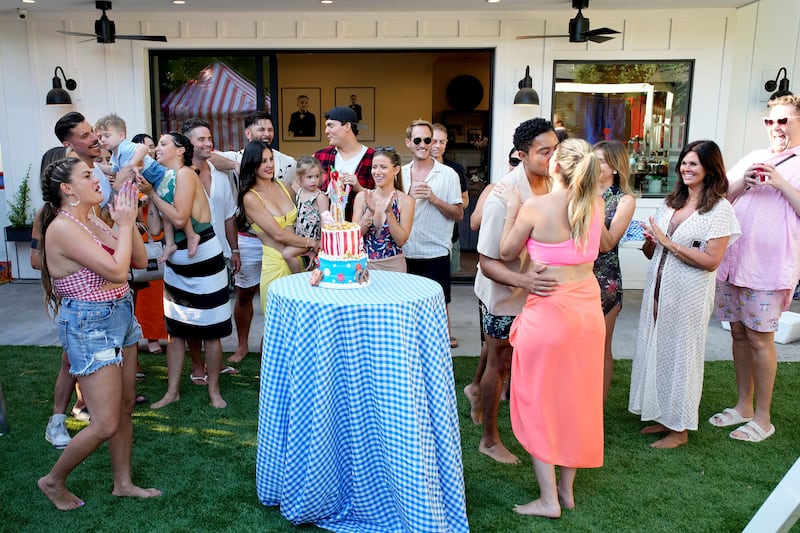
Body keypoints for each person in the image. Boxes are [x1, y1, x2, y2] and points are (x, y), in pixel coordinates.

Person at [37, 157, 160, 510]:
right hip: (90, 324)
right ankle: (52, 481)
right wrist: (122, 224)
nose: (97, 179)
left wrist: (130, 219)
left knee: (123, 408)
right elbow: (118, 271)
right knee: (105, 422)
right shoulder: (62, 228)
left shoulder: (90, 218)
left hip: (120, 315)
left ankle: (123, 484)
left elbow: (137, 261)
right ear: (67, 189)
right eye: (88, 175)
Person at [495, 137, 605, 518]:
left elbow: (507, 252)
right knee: (576, 399)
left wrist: (512, 210)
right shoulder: (595, 204)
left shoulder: (535, 206)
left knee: (539, 400)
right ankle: (566, 490)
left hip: (550, 313)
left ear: (555, 166)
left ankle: (548, 500)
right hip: (587, 313)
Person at [629, 140, 740, 449]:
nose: (686, 168)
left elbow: (711, 261)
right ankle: (663, 416)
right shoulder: (672, 202)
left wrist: (668, 242)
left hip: (689, 293)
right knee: (658, 348)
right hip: (658, 288)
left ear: (710, 168)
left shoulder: (720, 209)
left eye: (694, 163)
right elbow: (654, 252)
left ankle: (680, 429)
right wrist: (651, 240)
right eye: (684, 163)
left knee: (682, 357)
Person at [710, 95, 800, 443]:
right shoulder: (755, 157)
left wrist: (779, 182)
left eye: (784, 120)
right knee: (737, 335)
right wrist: (742, 181)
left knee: (761, 340)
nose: (776, 127)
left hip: (768, 268)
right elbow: (720, 198)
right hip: (734, 263)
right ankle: (743, 406)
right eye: (771, 121)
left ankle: (763, 418)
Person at [471, 119, 560, 464]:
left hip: (542, 293)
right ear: (522, 155)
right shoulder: (503, 196)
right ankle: (490, 439)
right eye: (544, 151)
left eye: (556, 149)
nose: (553, 157)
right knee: (501, 361)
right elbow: (487, 262)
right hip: (505, 294)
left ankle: (478, 389)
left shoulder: (555, 185)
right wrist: (525, 282)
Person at [140, 132, 232, 409]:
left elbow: (180, 217)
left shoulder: (186, 175)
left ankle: (214, 390)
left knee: (211, 331)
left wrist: (151, 194)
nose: (157, 148)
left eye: (164, 143)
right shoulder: (163, 180)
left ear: (181, 150)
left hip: (204, 258)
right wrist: (151, 196)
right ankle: (171, 391)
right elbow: (155, 228)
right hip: (176, 265)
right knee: (176, 332)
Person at [208, 112, 296, 364]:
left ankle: (268, 344)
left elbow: (295, 192)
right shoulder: (236, 157)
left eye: (270, 129)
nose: (266, 134)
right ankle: (242, 344)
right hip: (247, 238)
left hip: (280, 241)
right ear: (248, 134)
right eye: (260, 129)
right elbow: (208, 156)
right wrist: (241, 166)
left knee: (281, 294)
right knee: (245, 293)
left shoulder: (285, 162)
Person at [94, 114, 199, 262]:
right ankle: (170, 243)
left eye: (106, 135)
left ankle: (191, 235)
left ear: (121, 135)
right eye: (99, 137)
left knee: (172, 208)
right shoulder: (115, 156)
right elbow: (113, 170)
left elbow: (142, 149)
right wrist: (95, 165)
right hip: (156, 183)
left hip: (162, 176)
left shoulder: (125, 147)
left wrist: (133, 164)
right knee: (166, 212)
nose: (102, 140)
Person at [401, 119, 463, 348]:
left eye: (428, 140)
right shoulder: (400, 174)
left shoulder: (448, 175)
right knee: (406, 306)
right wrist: (408, 194)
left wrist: (434, 198)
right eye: (418, 140)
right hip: (405, 250)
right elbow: (391, 209)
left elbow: (458, 214)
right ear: (408, 142)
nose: (423, 144)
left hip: (435, 251)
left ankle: (441, 350)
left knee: (439, 306)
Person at [237, 140, 320, 312]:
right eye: (262, 161)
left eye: (271, 159)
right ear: (252, 164)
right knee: (275, 329)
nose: (269, 165)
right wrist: (312, 243)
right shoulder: (250, 197)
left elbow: (306, 214)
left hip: (301, 261)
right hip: (276, 264)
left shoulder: (284, 186)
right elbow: (278, 235)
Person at [593, 140, 636, 402]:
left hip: (604, 280)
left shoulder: (624, 200)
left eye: (600, 161)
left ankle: (596, 407)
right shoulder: (576, 192)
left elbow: (608, 242)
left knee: (600, 348)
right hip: (573, 277)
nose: (594, 165)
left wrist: (591, 207)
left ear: (616, 168)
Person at [131, 133, 168, 355]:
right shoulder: (129, 173)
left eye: (152, 147)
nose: (150, 151)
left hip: (162, 235)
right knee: (145, 293)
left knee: (159, 291)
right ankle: (146, 336)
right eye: (145, 148)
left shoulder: (159, 174)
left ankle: (160, 334)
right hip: (141, 237)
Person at [431, 123, 469, 340]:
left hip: (448, 234)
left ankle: (446, 334)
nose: (436, 146)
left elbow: (464, 201)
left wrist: (444, 202)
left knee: (445, 289)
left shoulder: (455, 169)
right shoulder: (413, 170)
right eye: (433, 141)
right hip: (421, 240)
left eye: (441, 142)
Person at [353, 147, 414, 271]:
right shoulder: (362, 197)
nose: (377, 172)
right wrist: (369, 213)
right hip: (364, 264)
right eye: (374, 167)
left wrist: (389, 213)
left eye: (383, 167)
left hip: (394, 265)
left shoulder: (406, 201)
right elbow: (355, 235)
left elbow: (401, 240)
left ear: (396, 170)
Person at [314, 106, 375, 221]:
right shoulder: (319, 157)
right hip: (326, 233)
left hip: (360, 234)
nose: (326, 131)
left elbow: (383, 198)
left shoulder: (373, 158)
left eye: (331, 126)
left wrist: (360, 188)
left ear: (347, 126)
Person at [282, 155, 329, 271]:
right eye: (309, 177)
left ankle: (297, 277)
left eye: (317, 176)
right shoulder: (299, 192)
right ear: (299, 178)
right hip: (300, 238)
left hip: (313, 240)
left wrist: (319, 245)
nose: (314, 180)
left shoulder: (320, 196)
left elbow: (325, 221)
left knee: (287, 253)